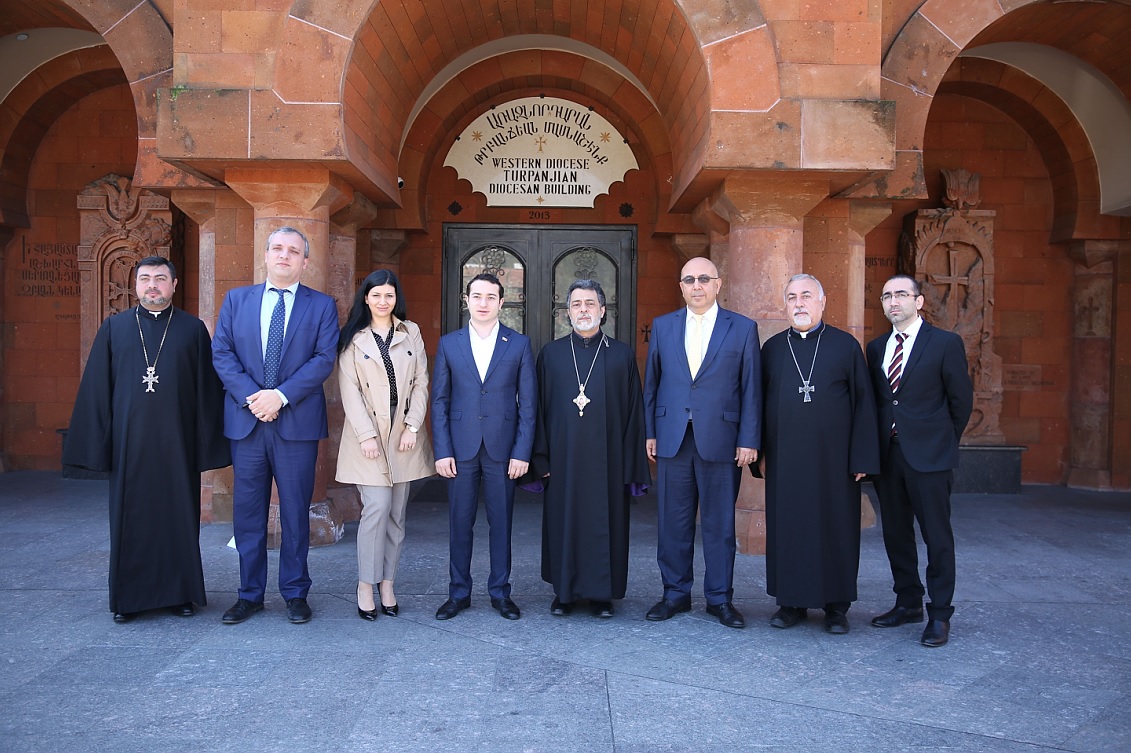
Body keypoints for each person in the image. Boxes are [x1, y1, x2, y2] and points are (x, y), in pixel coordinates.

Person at [63, 256, 230, 623]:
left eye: (159, 278)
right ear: (136, 285)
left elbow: (206, 391)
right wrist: (97, 444)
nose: (151, 285)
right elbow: (97, 390)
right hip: (129, 445)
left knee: (178, 516)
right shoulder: (115, 328)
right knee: (130, 517)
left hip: (177, 443)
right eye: (144, 279)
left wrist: (210, 442)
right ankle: (128, 599)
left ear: (173, 285)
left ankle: (181, 593)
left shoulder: (192, 330)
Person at [212, 226, 339, 625]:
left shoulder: (321, 306)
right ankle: (249, 595)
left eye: (294, 251)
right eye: (278, 249)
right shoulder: (237, 300)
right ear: (265, 255)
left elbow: (323, 359)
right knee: (247, 513)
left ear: (305, 261)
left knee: (296, 512)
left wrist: (279, 396)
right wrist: (255, 397)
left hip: (295, 423)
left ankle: (295, 593)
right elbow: (222, 353)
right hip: (248, 422)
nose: (285, 256)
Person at [755, 274, 880, 634]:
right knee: (789, 528)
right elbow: (761, 406)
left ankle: (836, 607)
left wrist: (862, 459)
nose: (799, 303)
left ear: (823, 302)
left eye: (806, 296)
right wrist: (761, 451)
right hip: (786, 460)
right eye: (792, 297)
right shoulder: (774, 349)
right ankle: (790, 602)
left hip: (834, 462)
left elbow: (863, 405)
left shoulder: (845, 346)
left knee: (836, 528)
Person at [643, 256, 761, 628]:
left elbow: (751, 389)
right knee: (673, 523)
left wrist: (749, 439)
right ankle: (674, 594)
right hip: (673, 438)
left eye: (704, 279)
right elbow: (652, 383)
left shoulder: (741, 328)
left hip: (722, 440)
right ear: (681, 286)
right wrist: (650, 431)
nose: (697, 285)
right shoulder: (663, 327)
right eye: (689, 279)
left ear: (717, 284)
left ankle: (719, 599)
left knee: (719, 524)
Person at [528, 280, 650, 618]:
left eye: (590, 303)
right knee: (564, 521)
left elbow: (634, 414)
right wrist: (541, 458)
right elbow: (537, 410)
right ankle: (563, 593)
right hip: (563, 460)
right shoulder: (551, 355)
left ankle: (602, 595)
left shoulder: (622, 354)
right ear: (567, 312)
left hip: (607, 461)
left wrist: (629, 465)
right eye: (577, 304)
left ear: (603, 310)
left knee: (604, 522)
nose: (584, 309)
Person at [866, 274, 973, 647]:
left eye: (900, 295)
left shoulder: (945, 344)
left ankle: (939, 614)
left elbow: (961, 402)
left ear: (919, 301)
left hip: (931, 458)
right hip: (889, 456)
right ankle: (907, 601)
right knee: (896, 533)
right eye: (886, 296)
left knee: (937, 537)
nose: (893, 302)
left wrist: (941, 442)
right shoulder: (876, 347)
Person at [431, 272, 536, 621]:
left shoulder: (518, 344)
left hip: (502, 450)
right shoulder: (449, 343)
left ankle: (500, 593)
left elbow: (529, 405)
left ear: (502, 302)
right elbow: (440, 401)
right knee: (459, 523)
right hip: (459, 449)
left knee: (501, 523)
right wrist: (442, 450)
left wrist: (522, 452)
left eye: (491, 297)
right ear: (467, 299)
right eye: (477, 296)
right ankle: (458, 593)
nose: (483, 303)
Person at [335, 270, 435, 620]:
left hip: (404, 431)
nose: (382, 301)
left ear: (397, 299)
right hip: (369, 432)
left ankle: (388, 583)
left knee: (396, 514)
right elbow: (349, 392)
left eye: (389, 295)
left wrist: (412, 425)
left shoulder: (412, 332)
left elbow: (422, 382)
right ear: (366, 297)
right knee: (375, 508)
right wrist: (366, 436)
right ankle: (365, 583)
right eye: (376, 295)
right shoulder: (352, 338)